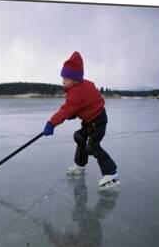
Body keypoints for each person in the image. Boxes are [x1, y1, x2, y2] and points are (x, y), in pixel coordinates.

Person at [43, 51, 120, 189]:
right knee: (80, 136)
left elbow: (66, 110)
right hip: (89, 121)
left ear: (75, 79)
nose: (63, 81)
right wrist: (74, 113)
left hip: (98, 121)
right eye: (62, 78)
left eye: (66, 79)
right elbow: (80, 107)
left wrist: (51, 123)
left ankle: (111, 173)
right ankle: (80, 165)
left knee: (93, 146)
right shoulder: (83, 85)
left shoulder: (76, 92)